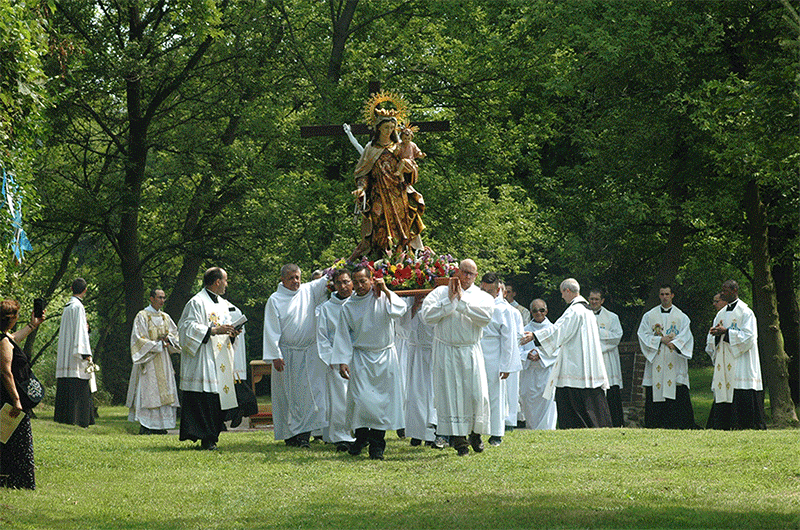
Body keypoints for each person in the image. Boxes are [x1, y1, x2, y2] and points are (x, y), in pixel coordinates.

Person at [419, 259, 494, 456]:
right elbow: (427, 316)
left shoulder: (482, 296)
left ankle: (475, 432)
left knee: (476, 394)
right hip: (446, 349)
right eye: (464, 272)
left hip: (470, 350)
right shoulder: (439, 293)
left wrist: (460, 302)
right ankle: (459, 441)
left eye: (471, 273)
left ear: (476, 276)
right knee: (450, 395)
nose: (467, 277)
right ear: (457, 271)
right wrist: (449, 300)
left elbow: (485, 318)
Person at [332, 265, 407, 460]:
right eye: (355, 282)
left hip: (384, 356)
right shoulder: (348, 306)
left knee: (381, 405)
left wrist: (386, 290)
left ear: (371, 280)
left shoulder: (382, 298)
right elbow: (342, 335)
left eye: (363, 281)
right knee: (361, 401)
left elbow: (400, 310)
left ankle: (377, 446)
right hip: (362, 357)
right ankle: (361, 438)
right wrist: (342, 361)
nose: (359, 286)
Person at [529, 278, 612, 429]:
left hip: (575, 365)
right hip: (587, 363)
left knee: (572, 397)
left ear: (567, 291)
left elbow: (558, 330)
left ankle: (575, 426)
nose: (562, 297)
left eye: (562, 293)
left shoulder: (574, 310)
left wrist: (535, 336)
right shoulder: (587, 310)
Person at [263, 264, 329, 448]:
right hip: (286, 355)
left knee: (310, 395)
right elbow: (271, 328)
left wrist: (357, 253)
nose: (296, 281)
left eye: (298, 277)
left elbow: (331, 275)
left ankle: (304, 436)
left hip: (310, 353)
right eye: (291, 278)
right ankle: (289, 434)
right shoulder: (275, 300)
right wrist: (274, 354)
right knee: (287, 396)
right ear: (283, 280)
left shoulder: (308, 290)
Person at [177, 267, 240, 450]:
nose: (227, 285)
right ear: (217, 281)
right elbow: (186, 328)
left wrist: (232, 332)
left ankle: (213, 435)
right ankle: (206, 438)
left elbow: (225, 328)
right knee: (205, 399)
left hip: (220, 357)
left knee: (218, 399)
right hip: (204, 358)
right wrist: (212, 330)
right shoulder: (196, 302)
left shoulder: (222, 303)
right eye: (225, 280)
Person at [348, 114, 425, 261]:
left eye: (391, 127)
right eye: (385, 127)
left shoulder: (399, 147)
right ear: (378, 128)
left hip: (398, 193)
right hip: (378, 194)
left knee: (402, 227)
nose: (389, 130)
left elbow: (411, 171)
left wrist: (410, 169)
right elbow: (363, 173)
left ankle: (402, 258)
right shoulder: (370, 149)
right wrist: (361, 188)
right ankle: (380, 258)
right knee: (379, 226)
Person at [706, 280, 766, 430]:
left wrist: (726, 333)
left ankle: (746, 424)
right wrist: (715, 334)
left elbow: (749, 337)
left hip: (741, 361)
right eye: (721, 290)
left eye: (725, 290)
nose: (722, 293)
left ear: (734, 291)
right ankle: (723, 424)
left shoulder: (746, 312)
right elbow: (711, 336)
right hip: (724, 358)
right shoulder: (720, 313)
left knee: (739, 387)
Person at [637, 284, 697, 429]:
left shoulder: (681, 317)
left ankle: (678, 424)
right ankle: (655, 424)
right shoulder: (649, 316)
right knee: (655, 391)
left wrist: (676, 344)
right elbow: (642, 335)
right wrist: (659, 340)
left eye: (667, 294)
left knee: (676, 389)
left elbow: (687, 336)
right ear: (659, 296)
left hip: (673, 360)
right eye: (662, 294)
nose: (664, 297)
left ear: (672, 295)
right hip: (657, 358)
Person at [0, 300, 43, 489]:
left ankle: (10, 478)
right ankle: (16, 479)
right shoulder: (2, 342)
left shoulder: (4, 338)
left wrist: (33, 325)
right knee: (14, 440)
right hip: (9, 400)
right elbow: (5, 372)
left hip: (10, 399)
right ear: (11, 319)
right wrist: (17, 399)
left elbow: (14, 339)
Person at [125, 289, 180, 434]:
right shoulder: (142, 316)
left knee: (165, 392)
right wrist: (158, 345)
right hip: (148, 360)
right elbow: (138, 339)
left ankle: (161, 426)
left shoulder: (165, 317)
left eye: (164, 298)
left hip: (164, 360)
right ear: (151, 298)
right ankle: (147, 425)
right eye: (159, 297)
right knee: (149, 391)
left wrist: (169, 340)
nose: (162, 300)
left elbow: (176, 336)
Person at [315, 269, 356, 451]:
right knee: (340, 400)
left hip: (360, 356)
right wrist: (333, 359)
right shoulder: (326, 308)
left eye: (346, 282)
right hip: (337, 359)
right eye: (339, 283)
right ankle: (341, 436)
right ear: (333, 285)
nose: (343, 286)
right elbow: (322, 336)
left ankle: (361, 433)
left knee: (361, 398)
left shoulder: (360, 303)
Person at [479, 273, 521, 446]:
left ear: (497, 291)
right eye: (482, 289)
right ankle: (476, 430)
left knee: (495, 394)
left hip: (494, 353)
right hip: (476, 350)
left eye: (489, 291)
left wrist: (506, 364)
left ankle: (496, 432)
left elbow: (509, 339)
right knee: (477, 393)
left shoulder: (504, 310)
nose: (485, 293)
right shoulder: (476, 303)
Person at [54, 278, 96, 427]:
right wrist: (85, 353)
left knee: (67, 382)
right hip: (75, 353)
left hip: (67, 350)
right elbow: (79, 332)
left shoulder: (67, 307)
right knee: (79, 381)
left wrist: (87, 329)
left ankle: (64, 417)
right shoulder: (78, 307)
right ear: (85, 290)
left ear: (72, 288)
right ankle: (79, 419)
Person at [402, 295, 438, 447]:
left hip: (433, 350)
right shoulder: (409, 300)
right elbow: (402, 325)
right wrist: (414, 308)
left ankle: (434, 432)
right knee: (416, 393)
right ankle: (417, 432)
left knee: (433, 393)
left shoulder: (439, 297)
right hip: (415, 350)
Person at [588, 288, 625, 427]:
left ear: (602, 301)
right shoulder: (583, 316)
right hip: (590, 359)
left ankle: (614, 423)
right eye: (591, 299)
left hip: (608, 359)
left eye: (596, 299)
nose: (593, 302)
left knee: (610, 392)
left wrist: (596, 336)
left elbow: (616, 337)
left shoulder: (612, 317)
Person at [519, 299, 557, 430]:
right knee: (528, 401)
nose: (538, 313)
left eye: (541, 310)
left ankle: (547, 428)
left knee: (547, 401)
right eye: (535, 311)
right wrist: (527, 354)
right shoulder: (524, 330)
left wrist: (540, 355)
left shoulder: (552, 329)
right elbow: (517, 350)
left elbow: (557, 350)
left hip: (546, 371)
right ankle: (532, 428)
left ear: (546, 311)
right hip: (529, 372)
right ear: (531, 312)